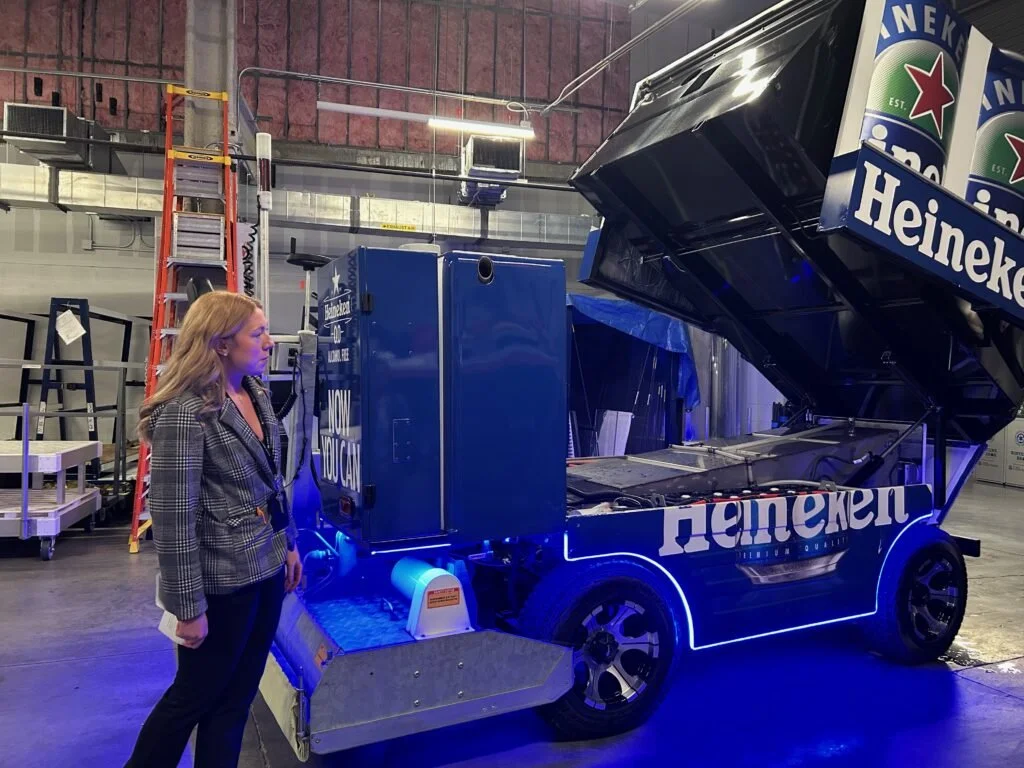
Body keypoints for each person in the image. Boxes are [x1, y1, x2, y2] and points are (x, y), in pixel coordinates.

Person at [125, 291, 302, 768]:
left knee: (236, 700)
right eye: (257, 333)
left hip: (265, 568)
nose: (269, 342)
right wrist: (187, 607)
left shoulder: (255, 394)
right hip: (222, 581)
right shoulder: (186, 413)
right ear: (221, 343)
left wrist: (287, 545)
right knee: (193, 697)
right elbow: (173, 518)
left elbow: (271, 483)